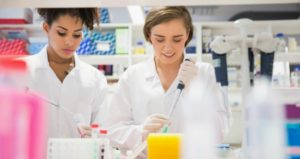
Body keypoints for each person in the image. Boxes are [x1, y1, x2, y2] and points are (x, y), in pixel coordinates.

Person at [103, 6, 230, 156]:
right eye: (160, 39)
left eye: (177, 39)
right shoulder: (133, 75)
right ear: (149, 35)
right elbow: (112, 130)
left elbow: (220, 132)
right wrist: (141, 131)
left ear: (187, 34)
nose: (168, 47)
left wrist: (195, 90)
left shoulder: (204, 73)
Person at [24, 8, 107, 138]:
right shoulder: (23, 71)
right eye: (62, 33)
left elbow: (102, 129)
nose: (69, 42)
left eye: (77, 34)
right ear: (46, 28)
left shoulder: (95, 79)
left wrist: (95, 135)